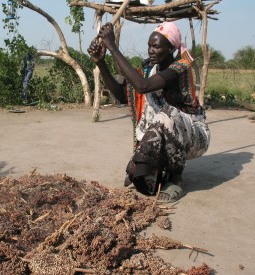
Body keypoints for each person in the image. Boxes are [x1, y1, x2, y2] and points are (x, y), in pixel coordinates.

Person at [87, 21, 210, 203]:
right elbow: (122, 95)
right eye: (149, 46)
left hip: (194, 137)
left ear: (170, 48)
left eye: (156, 46)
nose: (151, 50)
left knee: (167, 114)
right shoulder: (148, 69)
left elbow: (143, 86)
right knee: (155, 117)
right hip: (166, 130)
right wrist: (101, 62)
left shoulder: (181, 67)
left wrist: (112, 47)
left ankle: (177, 177)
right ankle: (158, 171)